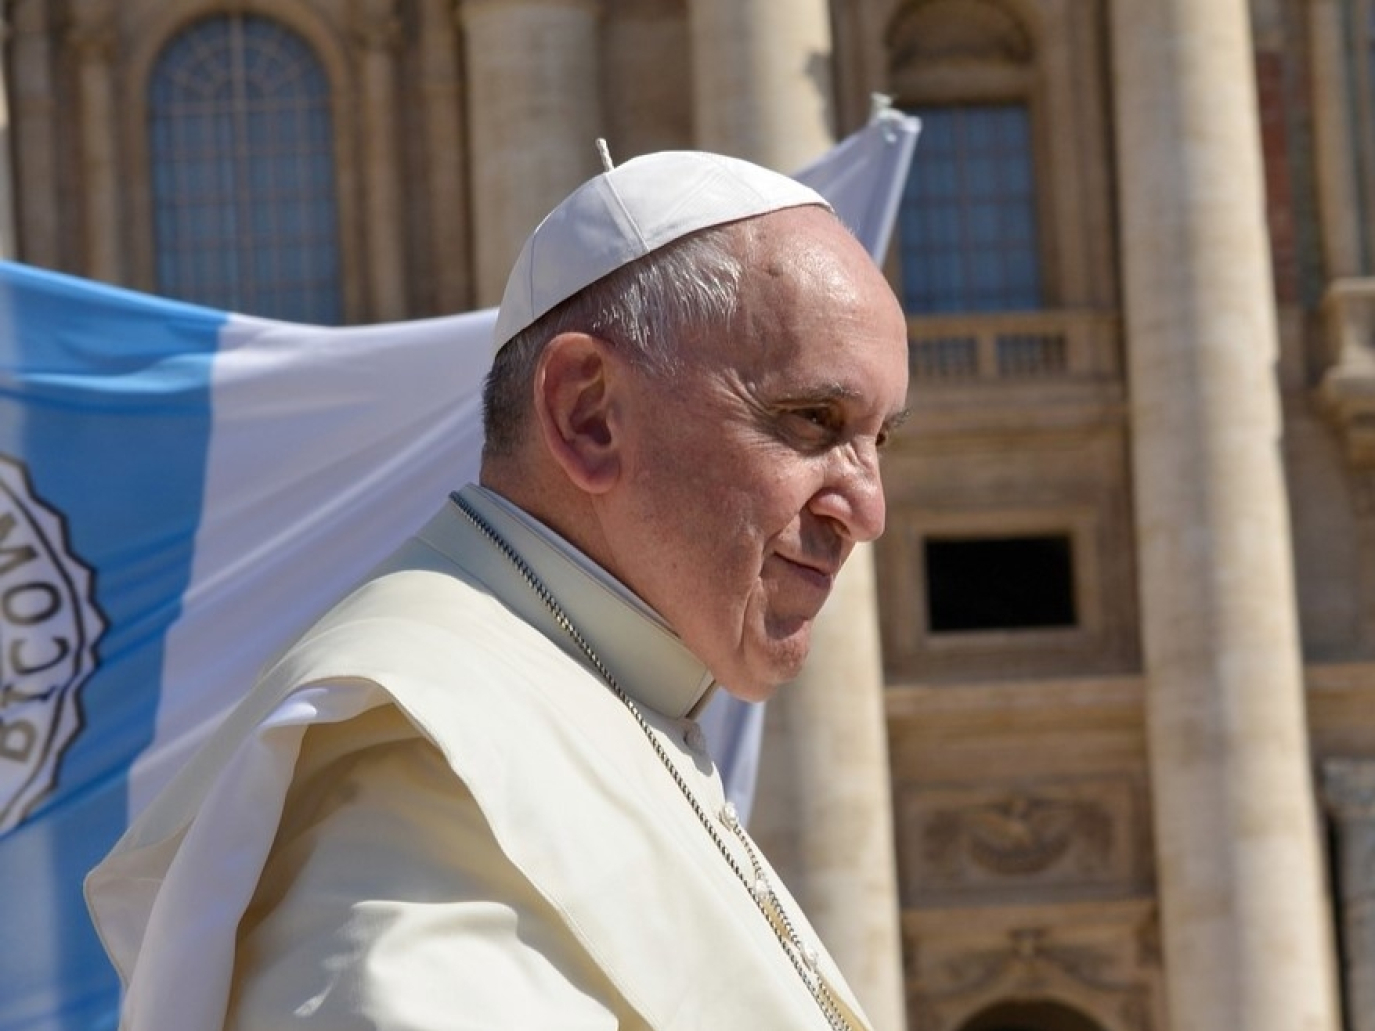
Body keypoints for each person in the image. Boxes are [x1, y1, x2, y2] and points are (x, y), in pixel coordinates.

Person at [86, 149, 910, 1030]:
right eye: (812, 422)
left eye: (878, 440)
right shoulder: (416, 763)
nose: (867, 509)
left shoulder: (615, 692)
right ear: (588, 415)